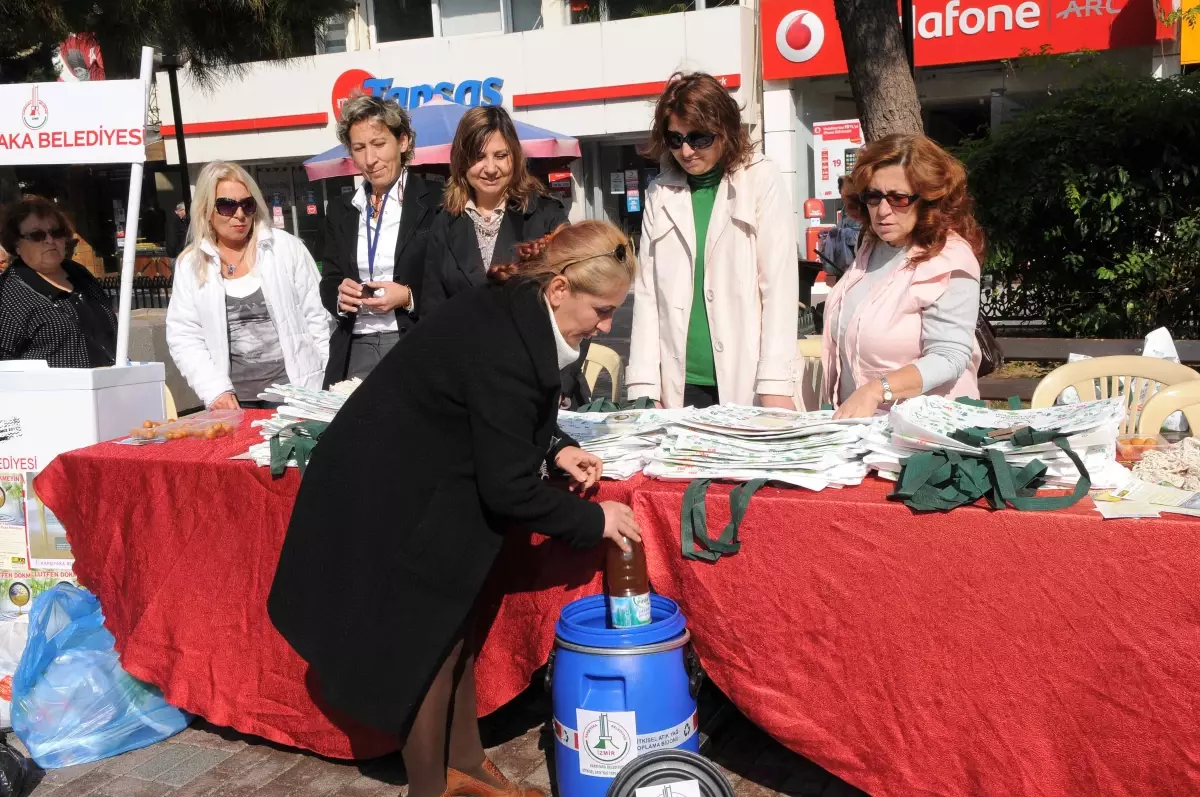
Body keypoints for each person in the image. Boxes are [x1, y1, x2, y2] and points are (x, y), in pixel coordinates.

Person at [269, 220, 641, 797]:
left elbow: (500, 415)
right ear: (561, 288)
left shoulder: (518, 308)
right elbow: (508, 488)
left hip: (418, 474)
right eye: (602, 309)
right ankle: (432, 787)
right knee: (428, 644)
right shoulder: (506, 338)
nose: (607, 325)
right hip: (389, 488)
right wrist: (596, 520)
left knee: (454, 631)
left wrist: (558, 447)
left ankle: (465, 765)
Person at [627, 72, 799, 410]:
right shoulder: (659, 192)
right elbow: (647, 295)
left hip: (747, 379)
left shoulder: (761, 178)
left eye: (699, 138)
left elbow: (778, 286)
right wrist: (645, 385)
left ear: (726, 131)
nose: (686, 151)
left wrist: (776, 381)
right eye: (675, 140)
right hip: (679, 382)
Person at [421, 106, 589, 407]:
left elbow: (579, 306)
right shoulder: (444, 223)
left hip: (542, 385)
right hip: (469, 388)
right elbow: (434, 314)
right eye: (478, 156)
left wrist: (559, 384)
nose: (490, 168)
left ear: (515, 156)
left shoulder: (547, 216)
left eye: (501, 155)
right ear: (461, 161)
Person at [822, 134, 985, 419]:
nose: (883, 211)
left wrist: (875, 390)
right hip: (862, 431)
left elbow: (949, 357)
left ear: (928, 199)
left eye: (899, 198)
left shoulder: (950, 258)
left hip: (924, 434)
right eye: (874, 197)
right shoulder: (871, 245)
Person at [166, 161, 330, 409]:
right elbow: (184, 336)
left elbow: (319, 317)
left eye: (247, 204)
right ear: (206, 210)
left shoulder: (285, 248)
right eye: (226, 206)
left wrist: (322, 381)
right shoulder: (191, 264)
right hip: (234, 404)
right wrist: (215, 390)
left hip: (297, 397)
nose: (239, 214)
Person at [321, 94, 441, 385]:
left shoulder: (438, 201)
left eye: (378, 144)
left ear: (403, 142)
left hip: (413, 341)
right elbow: (328, 280)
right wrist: (340, 296)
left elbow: (451, 282)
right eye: (359, 148)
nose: (370, 160)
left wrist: (409, 297)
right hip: (354, 345)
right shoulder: (341, 209)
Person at [0, 196, 117, 368]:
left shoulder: (80, 275)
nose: (50, 240)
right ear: (16, 244)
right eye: (36, 235)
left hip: (111, 387)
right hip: (52, 393)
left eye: (56, 232)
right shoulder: (8, 294)